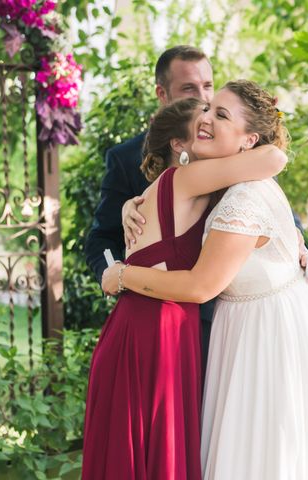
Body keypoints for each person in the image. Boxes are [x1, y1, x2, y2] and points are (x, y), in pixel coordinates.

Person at [102, 80, 308, 480]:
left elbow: (201, 284)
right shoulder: (221, 189)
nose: (205, 119)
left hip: (262, 339)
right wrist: (130, 206)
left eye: (219, 114)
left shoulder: (240, 195)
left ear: (250, 140)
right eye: (207, 110)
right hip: (238, 331)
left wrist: (120, 274)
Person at [81, 96, 288, 480]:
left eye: (216, 115)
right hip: (153, 328)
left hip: (159, 324)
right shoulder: (186, 178)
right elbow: (273, 159)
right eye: (203, 121)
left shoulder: (199, 190)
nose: (210, 123)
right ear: (179, 146)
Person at [84, 45, 218, 363]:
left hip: (230, 319)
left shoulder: (233, 145)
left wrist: (301, 250)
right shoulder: (125, 158)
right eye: (189, 88)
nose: (204, 96)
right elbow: (101, 238)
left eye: (208, 85)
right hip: (162, 327)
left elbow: (268, 209)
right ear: (162, 93)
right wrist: (115, 273)